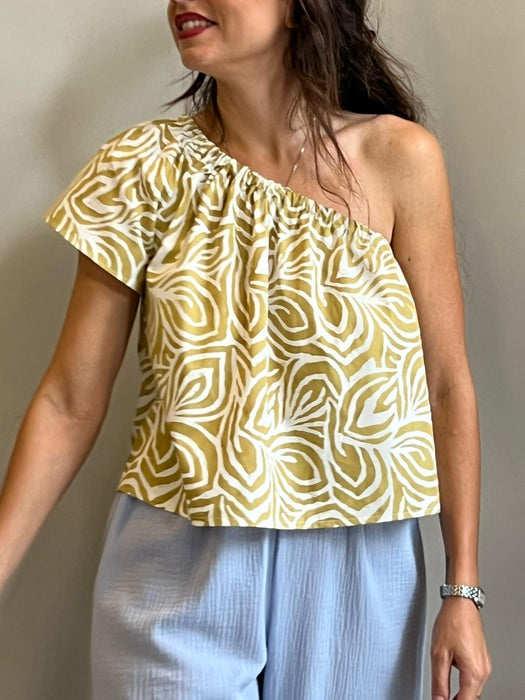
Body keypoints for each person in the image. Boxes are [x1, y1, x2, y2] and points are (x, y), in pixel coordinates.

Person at [0, 0, 492, 698]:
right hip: (177, 555)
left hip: (357, 561)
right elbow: (68, 400)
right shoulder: (139, 168)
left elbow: (446, 383)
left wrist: (461, 589)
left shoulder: (398, 158)